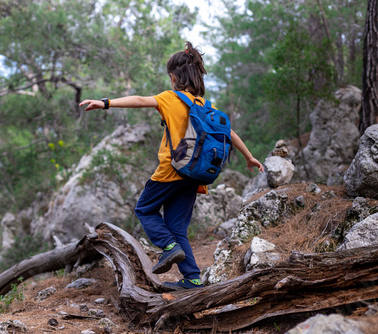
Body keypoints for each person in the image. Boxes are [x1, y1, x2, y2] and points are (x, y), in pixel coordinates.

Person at [79, 41, 264, 291]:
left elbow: (139, 99)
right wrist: (249, 157)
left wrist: (106, 103)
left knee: (145, 209)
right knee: (178, 227)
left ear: (174, 76)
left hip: (171, 171)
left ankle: (168, 247)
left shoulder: (170, 98)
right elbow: (229, 132)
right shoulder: (206, 107)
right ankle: (192, 279)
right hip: (194, 177)